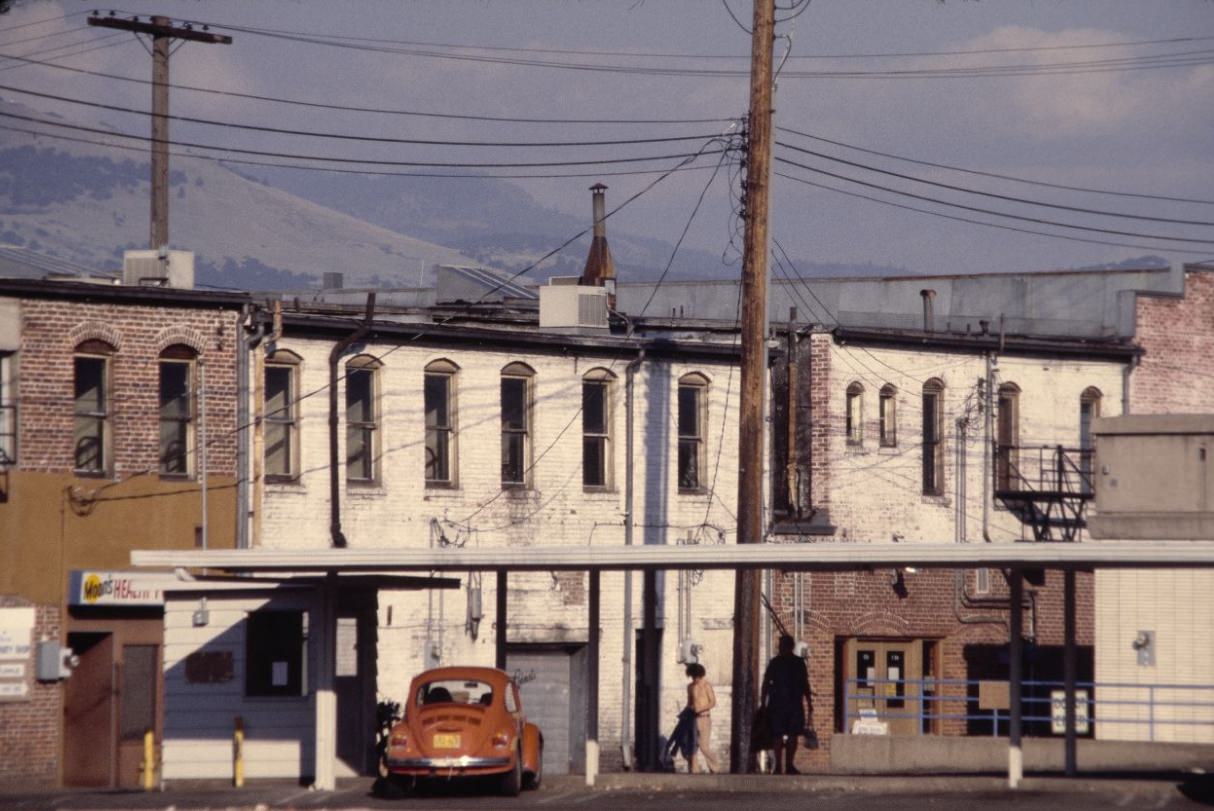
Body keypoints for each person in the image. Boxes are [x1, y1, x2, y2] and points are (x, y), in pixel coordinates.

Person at [761, 634, 812, 775]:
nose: (779, 646)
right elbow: (805, 685)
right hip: (792, 704)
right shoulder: (797, 663)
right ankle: (786, 765)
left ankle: (781, 765)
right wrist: (809, 702)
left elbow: (766, 683)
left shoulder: (776, 663)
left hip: (779, 704)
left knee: (780, 734)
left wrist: (763, 701)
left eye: (781, 644)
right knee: (790, 734)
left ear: (786, 646)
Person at [685, 662, 720, 773]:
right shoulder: (690, 687)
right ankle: (694, 769)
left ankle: (715, 767)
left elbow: (713, 702)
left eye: (696, 677)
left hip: (704, 717)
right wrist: (690, 709)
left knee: (704, 745)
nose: (695, 679)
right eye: (693, 677)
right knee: (693, 744)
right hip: (693, 718)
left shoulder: (706, 686)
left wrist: (701, 708)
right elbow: (689, 702)